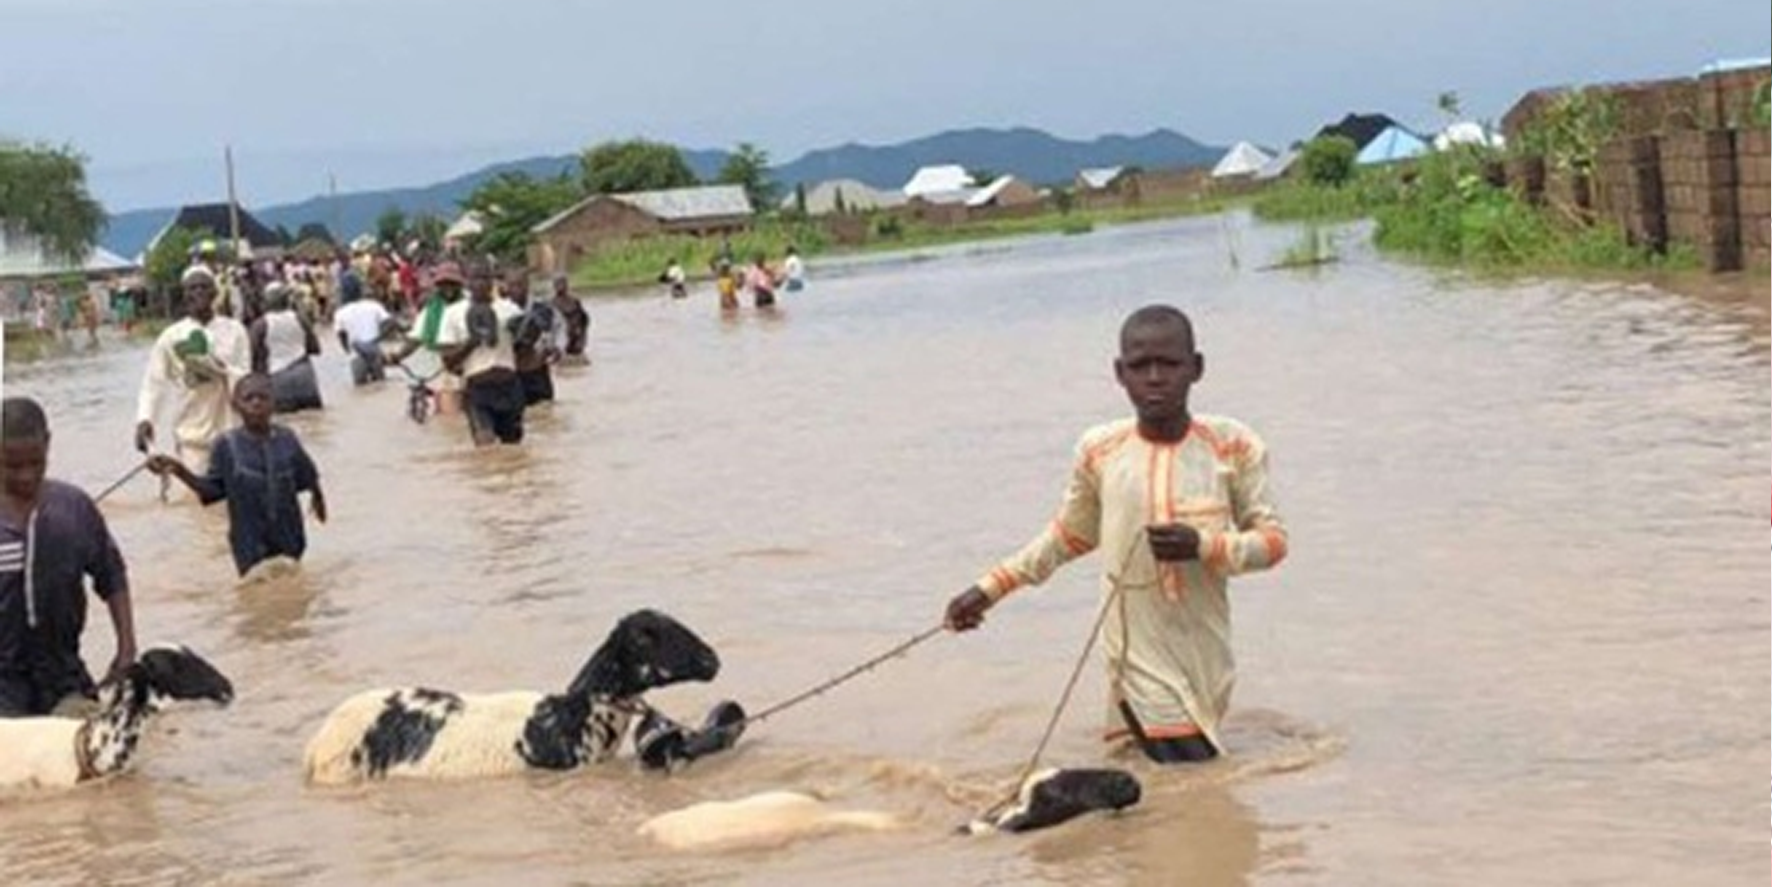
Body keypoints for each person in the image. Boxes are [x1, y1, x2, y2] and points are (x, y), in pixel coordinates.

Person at [943, 305, 1288, 765]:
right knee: (1191, 768)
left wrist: (1205, 546)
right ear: (1119, 374)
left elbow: (1273, 542)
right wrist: (987, 590)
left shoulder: (1234, 445)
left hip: (1206, 647)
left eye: (1169, 364)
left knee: (1166, 785)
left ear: (1196, 369)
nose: (1155, 378)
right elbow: (1068, 538)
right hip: (1135, 651)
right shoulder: (1100, 450)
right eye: (1140, 366)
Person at [0, 397, 137, 718]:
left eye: (36, 463)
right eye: (11, 466)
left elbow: (112, 576)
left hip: (63, 675)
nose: (25, 476)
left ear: (48, 443)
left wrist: (126, 649)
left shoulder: (73, 508)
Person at [148, 374, 328, 577]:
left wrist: (318, 498)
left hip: (289, 540)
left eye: (262, 397)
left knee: (292, 594)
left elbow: (307, 474)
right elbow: (212, 490)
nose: (256, 403)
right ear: (235, 405)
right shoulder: (227, 445)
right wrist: (180, 470)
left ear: (273, 403)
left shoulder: (287, 438)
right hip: (250, 548)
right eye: (248, 398)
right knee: (256, 596)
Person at [135, 265, 252, 475]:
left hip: (232, 431)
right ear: (184, 295)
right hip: (192, 436)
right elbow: (153, 383)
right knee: (197, 500)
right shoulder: (171, 337)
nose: (198, 292)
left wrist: (221, 369)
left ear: (215, 293)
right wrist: (145, 420)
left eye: (204, 287)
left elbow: (247, 379)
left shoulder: (235, 331)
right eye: (192, 288)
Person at [437, 259, 527, 446]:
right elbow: (447, 362)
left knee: (513, 449)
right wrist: (472, 342)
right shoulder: (453, 314)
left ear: (492, 281)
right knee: (485, 445)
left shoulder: (510, 310)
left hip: (509, 387)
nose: (480, 283)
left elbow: (523, 351)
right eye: (475, 278)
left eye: (485, 278)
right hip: (477, 390)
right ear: (467, 282)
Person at [250, 283, 324, 413]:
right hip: (305, 376)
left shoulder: (260, 325)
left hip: (277, 380)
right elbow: (315, 349)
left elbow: (253, 356)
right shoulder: (300, 319)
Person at [502, 269, 558, 406]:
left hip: (537, 373)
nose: (514, 290)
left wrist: (554, 349)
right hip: (512, 374)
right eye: (511, 285)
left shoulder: (542, 309)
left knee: (545, 413)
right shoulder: (500, 310)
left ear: (527, 286)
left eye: (518, 285)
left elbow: (556, 330)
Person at [333, 281, 399, 385]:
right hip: (374, 350)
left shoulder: (340, 313)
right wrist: (378, 338)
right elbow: (392, 323)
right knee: (380, 383)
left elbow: (341, 335)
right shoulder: (373, 306)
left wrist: (347, 350)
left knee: (360, 388)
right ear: (360, 291)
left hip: (356, 354)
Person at [550, 274, 591, 364]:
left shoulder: (574, 301)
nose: (560, 286)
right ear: (554, 286)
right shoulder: (552, 304)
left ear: (567, 285)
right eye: (558, 284)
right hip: (561, 340)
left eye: (562, 283)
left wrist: (580, 335)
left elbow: (584, 320)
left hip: (575, 338)